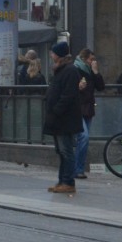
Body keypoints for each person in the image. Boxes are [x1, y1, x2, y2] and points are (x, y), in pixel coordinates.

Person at [43, 41, 83, 193]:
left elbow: (68, 95)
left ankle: (68, 182)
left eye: (53, 52)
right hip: (59, 119)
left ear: (59, 55)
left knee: (66, 151)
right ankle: (62, 181)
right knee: (61, 151)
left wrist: (56, 110)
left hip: (65, 119)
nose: (51, 55)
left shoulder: (70, 71)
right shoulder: (61, 70)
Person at [74, 48, 105, 180]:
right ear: (84, 59)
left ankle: (78, 168)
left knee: (83, 139)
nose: (93, 62)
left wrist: (96, 72)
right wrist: (78, 86)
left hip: (88, 108)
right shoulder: (76, 69)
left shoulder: (90, 71)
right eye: (91, 59)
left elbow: (101, 87)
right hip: (77, 108)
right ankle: (77, 169)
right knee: (84, 137)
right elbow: (69, 88)